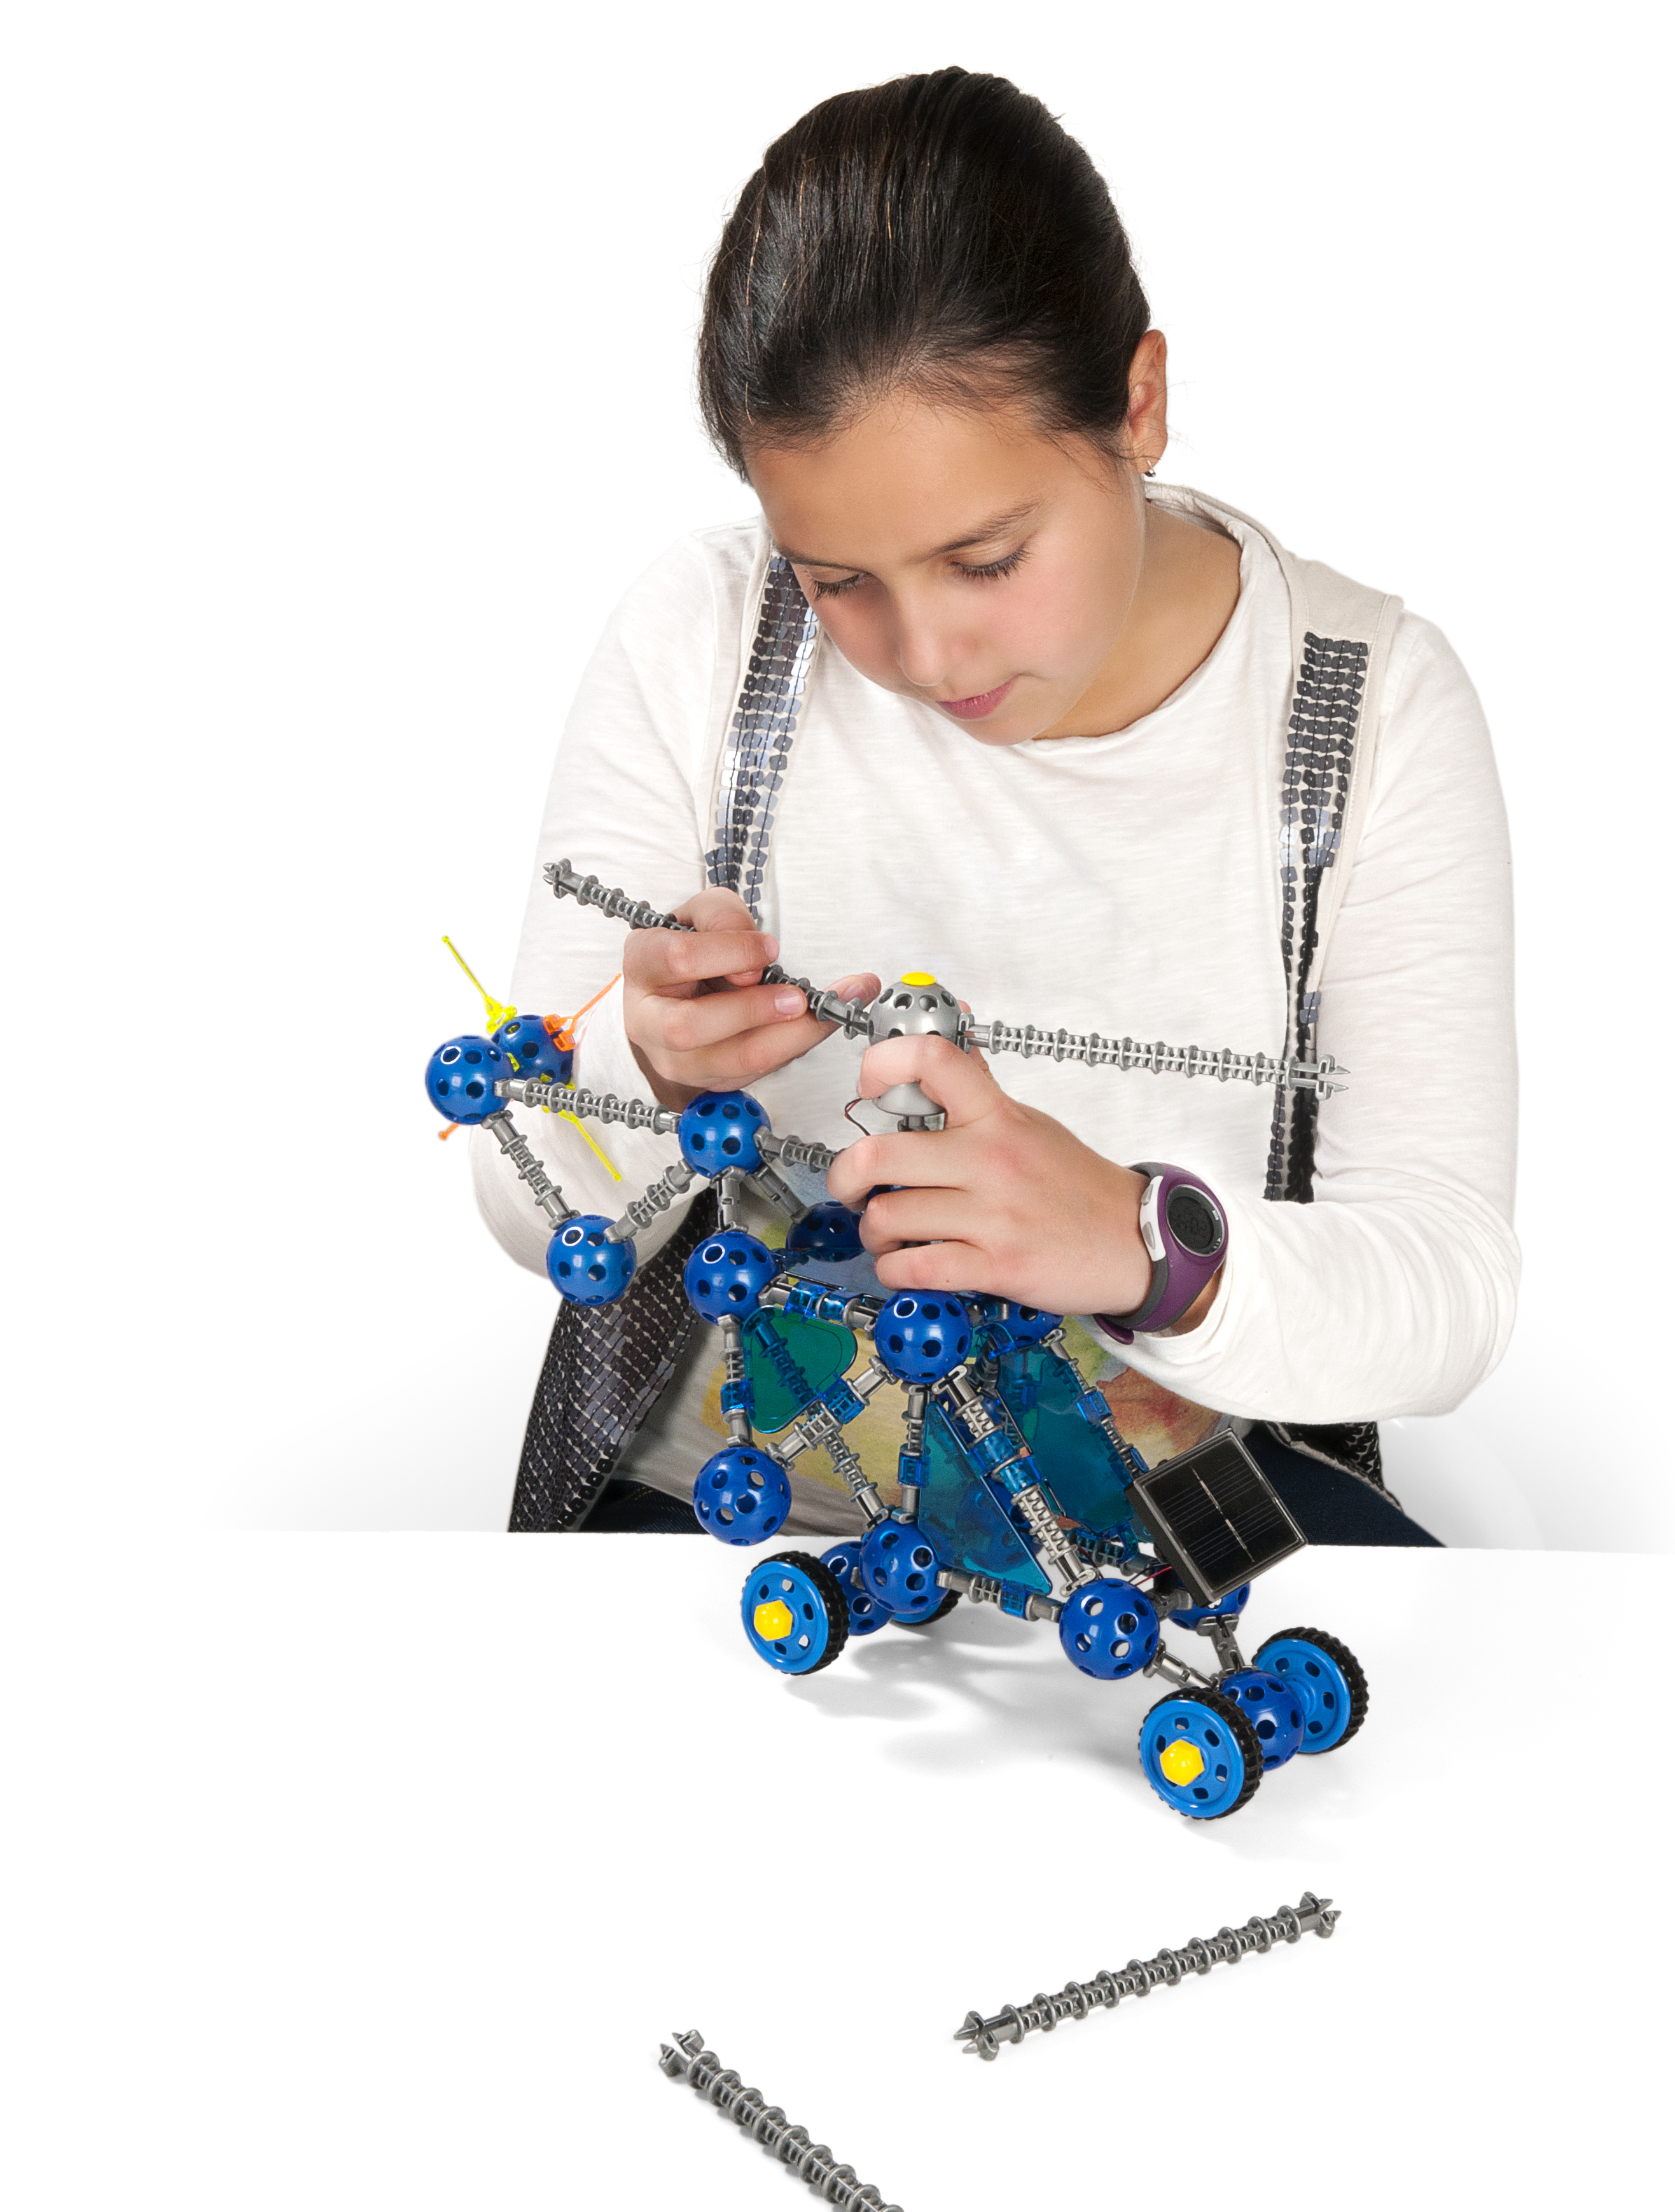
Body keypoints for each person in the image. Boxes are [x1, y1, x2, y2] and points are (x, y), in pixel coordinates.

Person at [475, 66, 1517, 1547]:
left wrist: (1141, 1247)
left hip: (1170, 1529)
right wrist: (634, 1063)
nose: (925, 656)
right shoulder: (703, 637)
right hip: (739, 1518)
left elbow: (1447, 1293)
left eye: (985, 559)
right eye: (837, 580)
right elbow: (527, 1211)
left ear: (1138, 405)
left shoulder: (1360, 710)